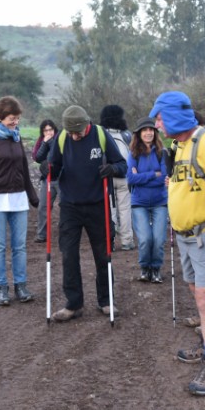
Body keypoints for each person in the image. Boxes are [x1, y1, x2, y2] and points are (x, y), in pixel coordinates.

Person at [151, 91, 205, 397]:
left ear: (174, 115)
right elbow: (188, 183)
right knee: (196, 293)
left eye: (160, 117)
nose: (157, 124)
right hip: (185, 236)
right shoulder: (180, 145)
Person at [49, 105, 128, 321]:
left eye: (78, 132)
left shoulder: (101, 135)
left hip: (98, 204)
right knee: (68, 255)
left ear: (87, 125)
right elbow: (53, 166)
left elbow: (122, 164)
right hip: (70, 207)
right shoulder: (62, 138)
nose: (75, 136)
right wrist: (47, 169)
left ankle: (106, 301)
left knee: (103, 255)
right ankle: (73, 304)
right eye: (71, 132)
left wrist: (112, 169)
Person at [0, 96, 39, 306]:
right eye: (12, 118)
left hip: (18, 198)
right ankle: (1, 288)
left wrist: (31, 193)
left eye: (18, 118)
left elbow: (23, 167)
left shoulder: (16, 136)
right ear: (0, 116)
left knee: (20, 246)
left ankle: (21, 285)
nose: (16, 122)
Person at [126, 117, 168, 283]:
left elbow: (164, 177)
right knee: (144, 239)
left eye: (151, 130)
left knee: (158, 239)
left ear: (155, 133)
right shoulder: (133, 154)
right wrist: (153, 174)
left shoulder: (162, 153)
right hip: (139, 203)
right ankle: (145, 268)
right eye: (145, 130)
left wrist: (141, 176)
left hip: (160, 201)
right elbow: (130, 178)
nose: (148, 132)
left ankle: (156, 269)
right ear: (139, 134)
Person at [99, 105, 135, 251]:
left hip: (107, 177)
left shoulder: (101, 134)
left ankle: (110, 241)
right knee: (125, 209)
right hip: (124, 176)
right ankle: (127, 241)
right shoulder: (126, 135)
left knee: (109, 210)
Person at [32, 119, 59, 243]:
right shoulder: (41, 141)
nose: (48, 132)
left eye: (50, 130)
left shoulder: (60, 140)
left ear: (54, 129)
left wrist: (51, 142)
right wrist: (44, 143)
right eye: (45, 130)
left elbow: (56, 155)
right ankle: (42, 234)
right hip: (47, 179)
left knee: (65, 206)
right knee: (43, 206)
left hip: (61, 178)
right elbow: (37, 157)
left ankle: (66, 232)